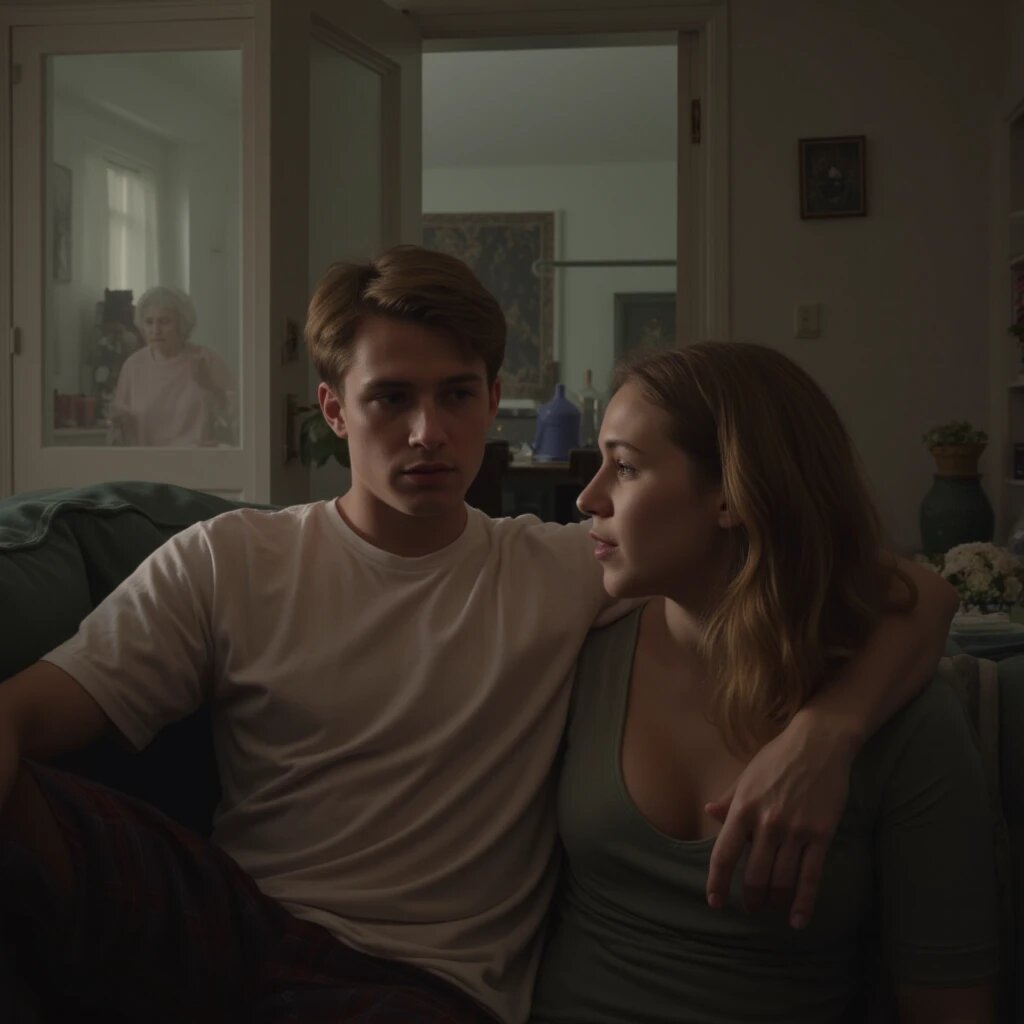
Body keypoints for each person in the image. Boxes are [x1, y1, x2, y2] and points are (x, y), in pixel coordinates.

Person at [0, 247, 956, 1023]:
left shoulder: (568, 568)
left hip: (421, 985)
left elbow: (916, 590)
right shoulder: (230, 559)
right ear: (333, 411)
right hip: (230, 928)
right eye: (391, 398)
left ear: (493, 401)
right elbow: (32, 712)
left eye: (457, 395)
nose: (429, 432)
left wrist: (827, 731)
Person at [530, 343, 999, 1024]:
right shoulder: (581, 655)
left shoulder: (906, 717)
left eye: (625, 467)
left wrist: (830, 730)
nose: (587, 496)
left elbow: (949, 999)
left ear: (732, 494)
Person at [109, 285, 236, 447]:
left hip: (196, 458)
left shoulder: (206, 359)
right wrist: (117, 422)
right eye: (149, 322)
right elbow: (119, 421)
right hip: (147, 459)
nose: (155, 330)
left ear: (181, 324)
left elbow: (238, 416)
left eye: (164, 322)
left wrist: (209, 386)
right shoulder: (133, 365)